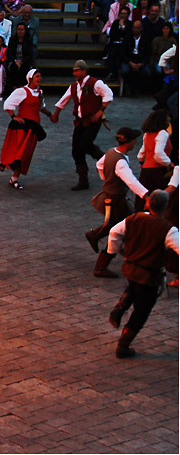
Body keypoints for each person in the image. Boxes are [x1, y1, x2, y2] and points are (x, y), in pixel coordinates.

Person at [94, 190, 179, 358]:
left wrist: (115, 250)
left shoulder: (134, 219)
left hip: (131, 268)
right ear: (165, 207)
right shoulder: (168, 230)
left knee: (133, 286)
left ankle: (119, 309)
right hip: (149, 275)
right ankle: (123, 346)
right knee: (142, 310)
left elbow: (114, 232)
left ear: (149, 204)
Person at [85, 127, 149, 258]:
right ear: (129, 142)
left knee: (118, 223)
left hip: (111, 196)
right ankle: (111, 248)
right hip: (117, 199)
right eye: (134, 140)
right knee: (128, 223)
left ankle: (114, 246)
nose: (135, 142)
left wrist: (106, 178)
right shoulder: (120, 162)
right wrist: (146, 195)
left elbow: (99, 165)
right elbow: (131, 181)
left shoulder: (110, 152)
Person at [51, 59, 114, 190]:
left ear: (84, 71)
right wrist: (56, 114)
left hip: (93, 120)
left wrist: (100, 112)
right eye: (74, 71)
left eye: (77, 70)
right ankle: (83, 180)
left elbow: (108, 94)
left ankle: (105, 160)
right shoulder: (74, 86)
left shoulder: (95, 83)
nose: (74, 73)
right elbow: (64, 99)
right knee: (76, 150)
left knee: (85, 144)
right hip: (80, 121)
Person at [0, 69, 51, 189]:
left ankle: (14, 179)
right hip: (22, 128)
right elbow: (8, 104)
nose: (40, 78)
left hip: (33, 129)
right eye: (37, 76)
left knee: (25, 155)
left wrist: (50, 115)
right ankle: (4, 162)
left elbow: (41, 107)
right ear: (30, 78)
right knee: (16, 151)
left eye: (40, 76)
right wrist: (13, 116)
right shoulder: (22, 91)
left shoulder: (39, 93)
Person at [136, 111, 174, 212]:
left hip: (146, 171)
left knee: (145, 198)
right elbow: (158, 154)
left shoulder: (147, 134)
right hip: (158, 171)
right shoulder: (162, 133)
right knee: (162, 198)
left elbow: (141, 153)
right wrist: (169, 164)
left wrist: (141, 162)